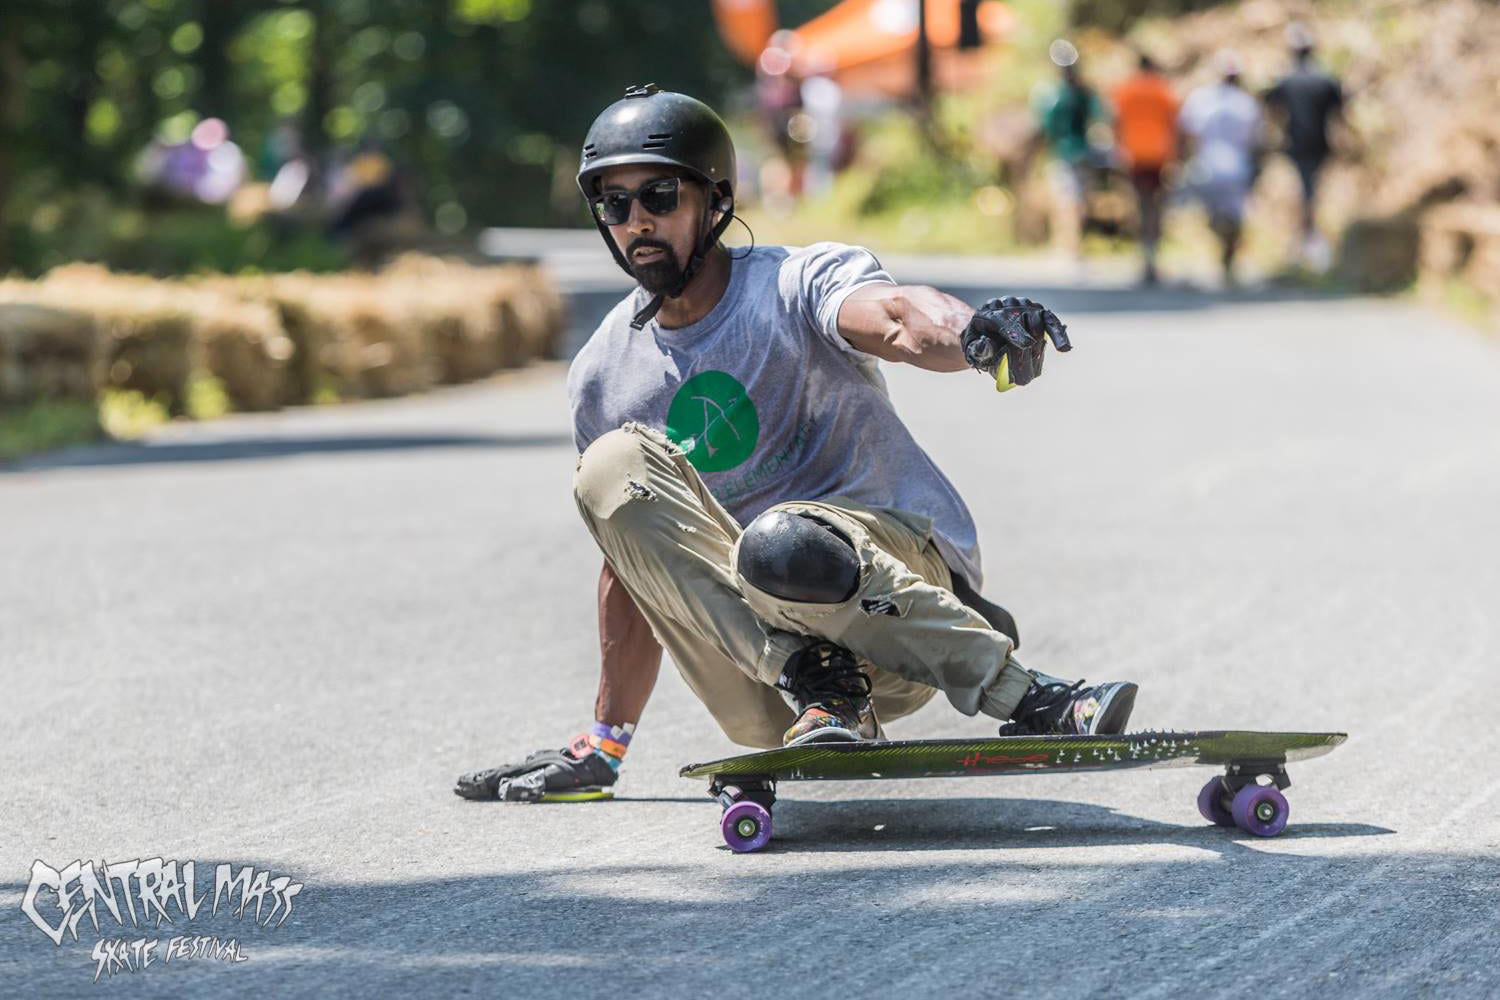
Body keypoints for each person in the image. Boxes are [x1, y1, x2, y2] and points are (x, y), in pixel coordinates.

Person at [455, 85, 1139, 803]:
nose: (637, 222)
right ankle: (817, 685)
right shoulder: (602, 373)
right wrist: (603, 741)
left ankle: (1031, 697)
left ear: (714, 200)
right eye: (615, 204)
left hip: (903, 624)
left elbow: (899, 318)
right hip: (772, 680)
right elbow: (636, 568)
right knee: (610, 471)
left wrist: (971, 337)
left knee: (781, 543)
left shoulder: (791, 283)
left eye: (658, 195)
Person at [1265, 23, 1344, 270]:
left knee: (1304, 192)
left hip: (1296, 144)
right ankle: (1306, 241)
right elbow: (1340, 114)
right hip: (1319, 143)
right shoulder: (1325, 78)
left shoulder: (1286, 80)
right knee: (1311, 192)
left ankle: (1305, 242)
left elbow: (1272, 109)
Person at [1178, 53, 1262, 286]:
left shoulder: (1203, 99)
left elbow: (1187, 133)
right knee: (1229, 217)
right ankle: (1227, 255)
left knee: (1218, 216)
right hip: (1235, 168)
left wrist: (1185, 158)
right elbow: (1257, 140)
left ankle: (1227, 257)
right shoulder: (1245, 103)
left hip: (1211, 167)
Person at [1034, 50, 1109, 260]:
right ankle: (1068, 245)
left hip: (1065, 153)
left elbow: (1047, 127)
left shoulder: (1055, 96)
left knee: (1067, 201)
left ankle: (1068, 246)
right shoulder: (1083, 93)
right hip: (1080, 152)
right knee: (1075, 200)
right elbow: (1099, 118)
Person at [1112, 53, 1180, 286]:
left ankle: (1144, 258)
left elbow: (1115, 121)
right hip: (1160, 155)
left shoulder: (1126, 90)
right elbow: (1175, 122)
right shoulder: (1163, 89)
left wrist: (1118, 150)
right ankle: (1153, 257)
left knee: (1141, 207)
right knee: (1156, 209)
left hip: (1134, 155)